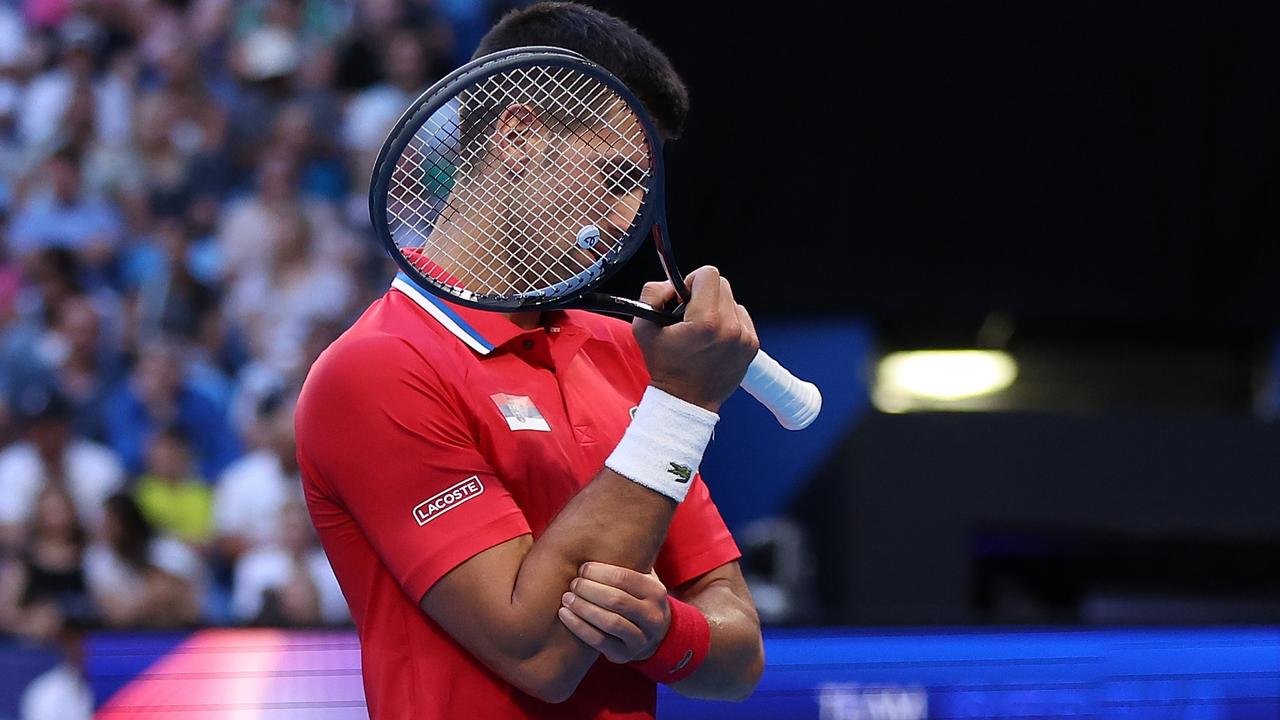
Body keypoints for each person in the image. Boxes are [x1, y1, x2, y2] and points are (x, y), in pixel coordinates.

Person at [294, 4, 765, 718]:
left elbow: (740, 654)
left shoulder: (627, 354)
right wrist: (680, 406)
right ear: (516, 135)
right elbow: (538, 652)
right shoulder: (373, 371)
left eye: (640, 186)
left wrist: (665, 632)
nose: (626, 218)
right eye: (612, 179)